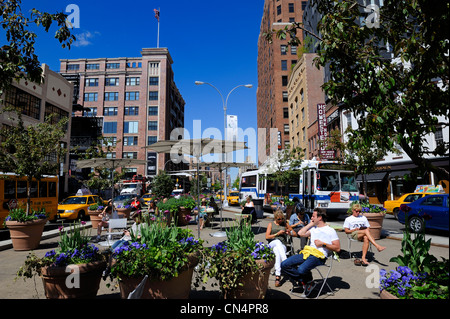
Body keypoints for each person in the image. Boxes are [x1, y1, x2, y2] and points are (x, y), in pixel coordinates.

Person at [280, 207, 340, 291]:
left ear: (320, 218)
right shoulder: (313, 228)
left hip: (319, 256)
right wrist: (311, 224)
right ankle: (307, 281)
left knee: (301, 269)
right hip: (307, 253)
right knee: (284, 264)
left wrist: (323, 244)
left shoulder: (330, 230)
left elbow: (337, 248)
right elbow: (301, 233)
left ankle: (306, 281)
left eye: (313, 216)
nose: (311, 218)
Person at [266, 209, 295, 287]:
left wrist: (290, 232)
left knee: (277, 252)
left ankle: (277, 277)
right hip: (271, 243)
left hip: (282, 246)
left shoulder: (285, 224)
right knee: (277, 242)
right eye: (279, 219)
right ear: (275, 218)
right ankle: (286, 262)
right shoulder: (271, 224)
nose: (281, 220)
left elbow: (294, 233)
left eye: (282, 218)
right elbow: (267, 236)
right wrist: (277, 234)